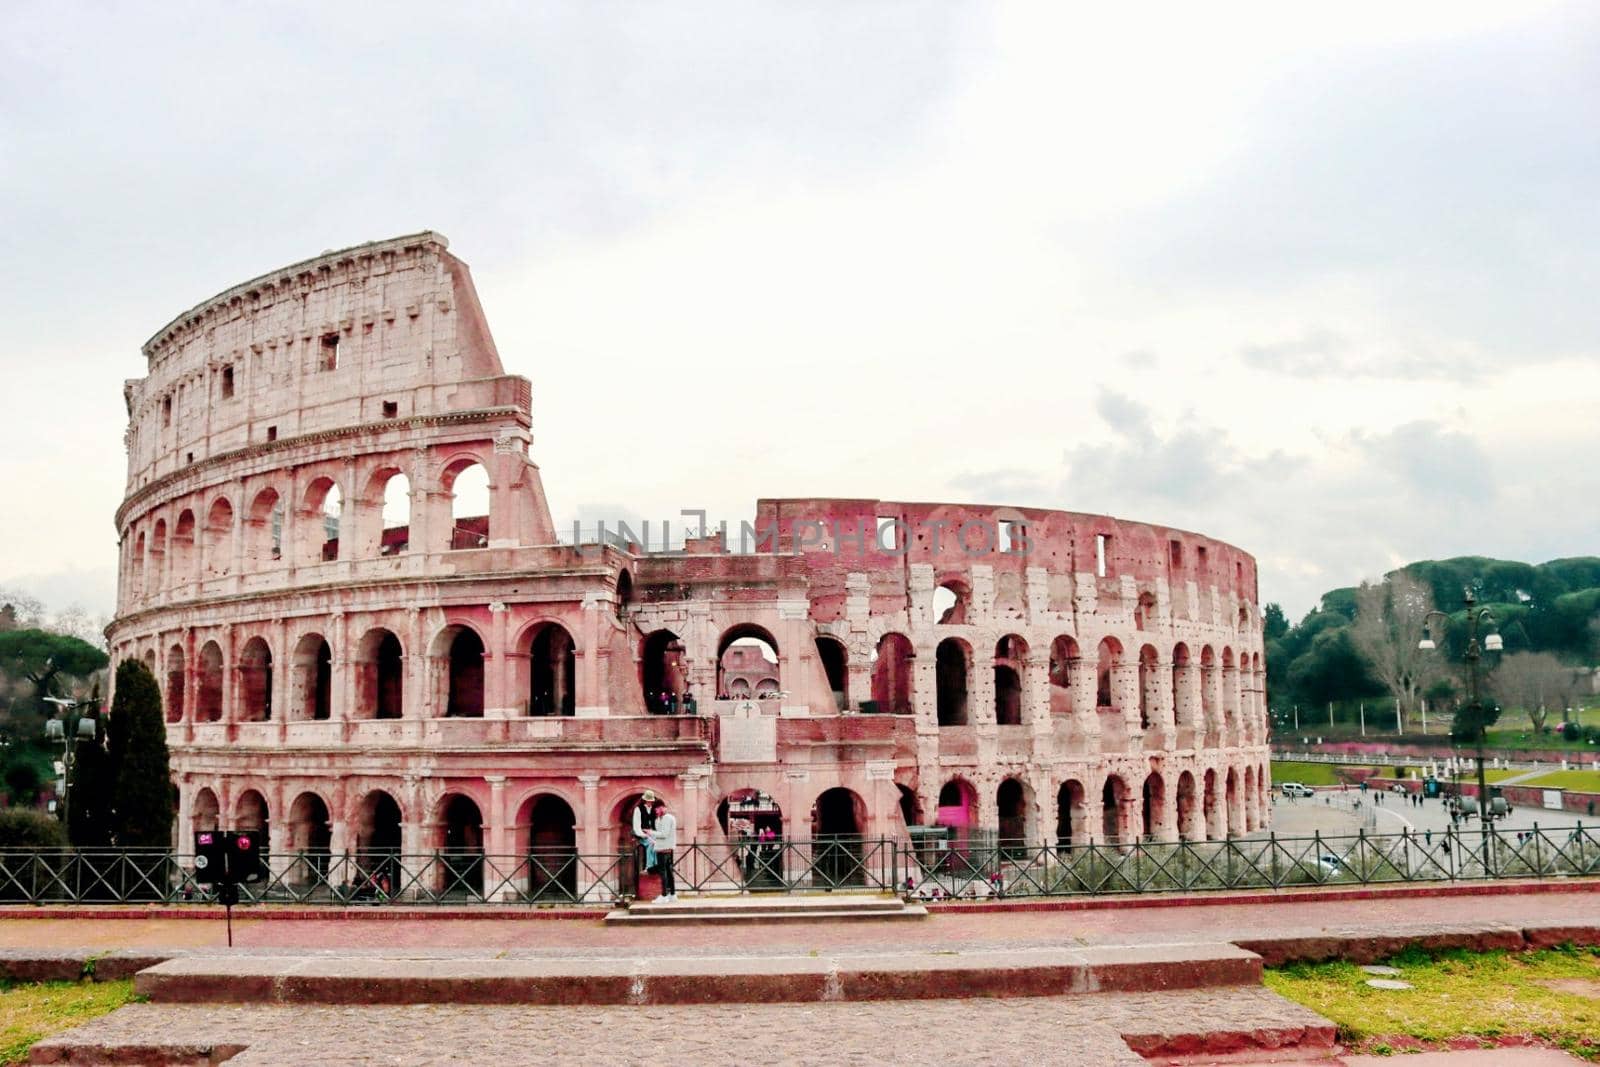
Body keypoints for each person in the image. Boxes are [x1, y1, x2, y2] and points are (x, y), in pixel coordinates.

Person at [631, 790, 659, 895]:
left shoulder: (653, 810)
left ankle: (656, 865)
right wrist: (645, 835)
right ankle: (649, 866)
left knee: (657, 843)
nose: (650, 803)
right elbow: (636, 826)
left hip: (651, 833)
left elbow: (655, 824)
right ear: (644, 800)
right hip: (641, 834)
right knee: (651, 843)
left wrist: (654, 834)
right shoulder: (638, 809)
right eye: (648, 801)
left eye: (651, 801)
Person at [652, 800, 679, 902]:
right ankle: (672, 894)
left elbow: (664, 834)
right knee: (669, 871)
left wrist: (651, 833)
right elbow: (661, 833)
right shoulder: (660, 819)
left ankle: (664, 895)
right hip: (666, 848)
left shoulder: (667, 818)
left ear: (662, 807)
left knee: (663, 872)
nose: (656, 811)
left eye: (657, 809)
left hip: (663, 849)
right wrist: (655, 840)